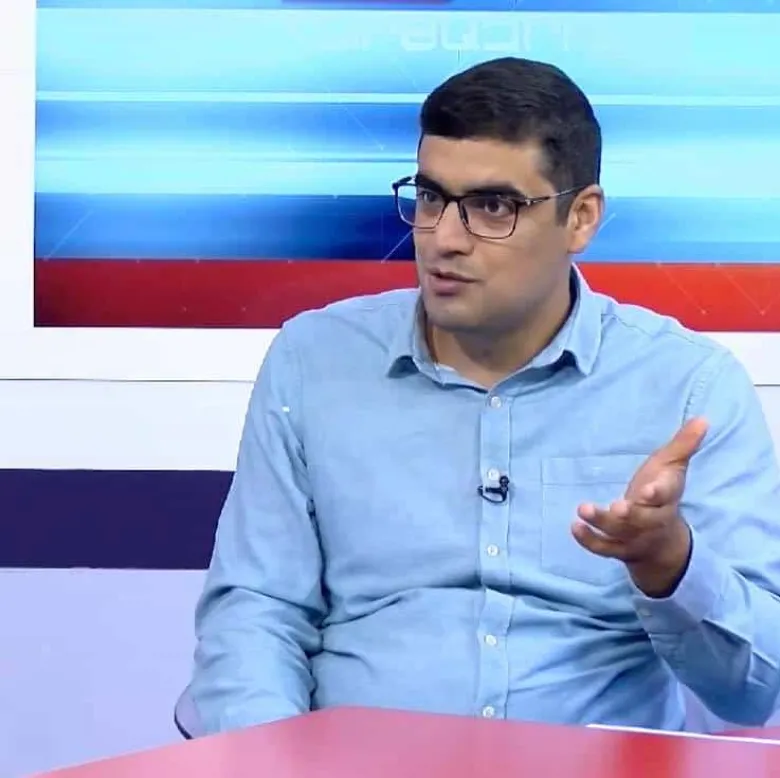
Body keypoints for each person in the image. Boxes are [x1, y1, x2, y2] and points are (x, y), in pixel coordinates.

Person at [183, 56, 780, 735]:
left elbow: (754, 690)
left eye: (493, 207)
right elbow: (256, 616)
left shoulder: (687, 388)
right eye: (430, 197)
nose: (444, 239)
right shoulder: (313, 361)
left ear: (581, 218)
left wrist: (668, 561)